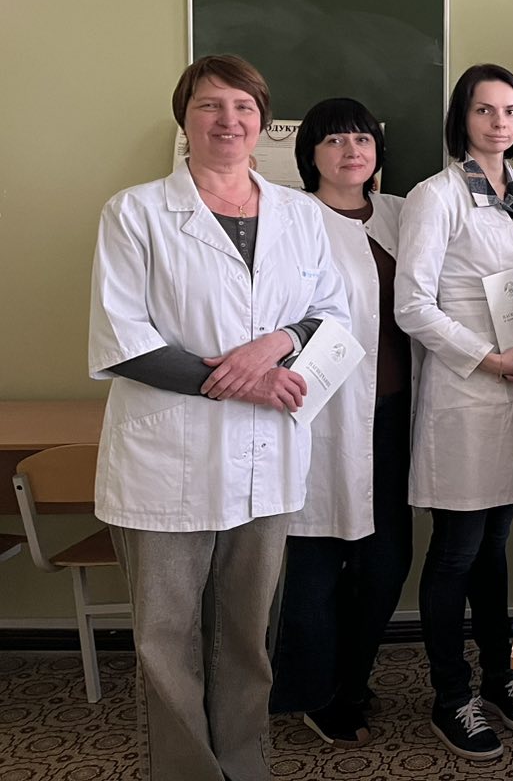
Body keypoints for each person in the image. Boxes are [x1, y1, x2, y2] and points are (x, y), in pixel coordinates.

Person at [87, 55, 348, 781]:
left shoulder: (300, 214)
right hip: (167, 459)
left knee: (245, 633)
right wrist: (245, 385)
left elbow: (331, 313)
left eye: (242, 107)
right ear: (185, 119)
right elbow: (123, 340)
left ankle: (243, 762)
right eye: (209, 105)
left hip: (267, 460)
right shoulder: (136, 212)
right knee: (166, 641)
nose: (227, 120)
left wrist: (279, 342)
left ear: (262, 122)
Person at [395, 63, 513, 762]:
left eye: (510, 110)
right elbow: (411, 305)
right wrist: (488, 358)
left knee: (495, 549)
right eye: (485, 110)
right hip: (465, 393)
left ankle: (499, 676)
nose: (499, 122)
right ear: (462, 117)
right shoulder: (435, 197)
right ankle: (449, 693)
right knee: (457, 550)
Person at [270, 98, 413, 746]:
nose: (351, 150)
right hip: (322, 418)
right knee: (318, 558)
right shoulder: (291, 218)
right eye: (333, 140)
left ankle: (351, 677)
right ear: (310, 154)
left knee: (387, 561)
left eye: (362, 138)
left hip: (395, 415)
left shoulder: (400, 213)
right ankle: (314, 692)